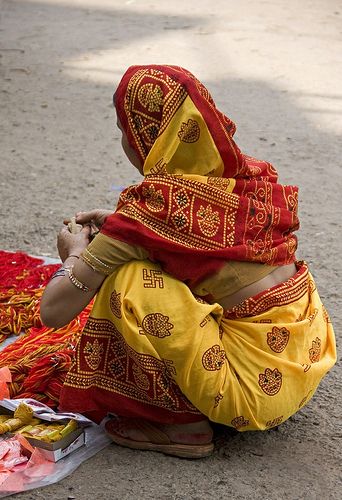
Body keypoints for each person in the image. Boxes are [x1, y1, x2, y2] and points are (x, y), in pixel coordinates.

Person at [40, 65, 336, 458]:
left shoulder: (147, 214)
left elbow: (54, 311)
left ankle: (185, 428)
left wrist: (77, 254)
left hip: (248, 394)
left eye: (124, 130)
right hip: (302, 363)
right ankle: (209, 396)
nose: (125, 142)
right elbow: (197, 244)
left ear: (146, 136)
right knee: (153, 266)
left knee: (127, 280)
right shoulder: (250, 177)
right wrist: (119, 229)